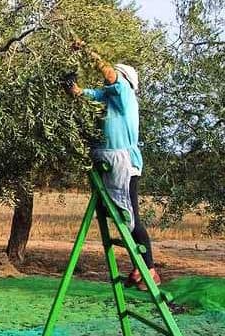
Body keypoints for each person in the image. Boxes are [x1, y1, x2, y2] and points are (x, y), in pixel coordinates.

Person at [66, 41, 160, 291]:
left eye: (115, 78)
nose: (109, 82)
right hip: (107, 160)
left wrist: (86, 49)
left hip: (123, 163)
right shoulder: (109, 98)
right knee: (110, 210)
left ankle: (148, 268)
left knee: (130, 218)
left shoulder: (125, 94)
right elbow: (85, 94)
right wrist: (72, 86)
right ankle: (141, 266)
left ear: (124, 80)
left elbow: (108, 73)